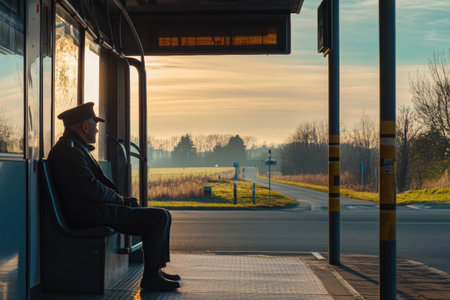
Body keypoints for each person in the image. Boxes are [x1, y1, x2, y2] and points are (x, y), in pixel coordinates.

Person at [47, 102, 180, 291]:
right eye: (95, 125)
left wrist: (123, 201)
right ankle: (151, 277)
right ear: (85, 127)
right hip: (86, 214)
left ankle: (155, 271)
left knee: (161, 215)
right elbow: (90, 188)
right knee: (158, 217)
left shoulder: (74, 148)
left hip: (91, 210)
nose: (97, 130)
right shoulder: (69, 152)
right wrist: (121, 200)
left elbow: (91, 188)